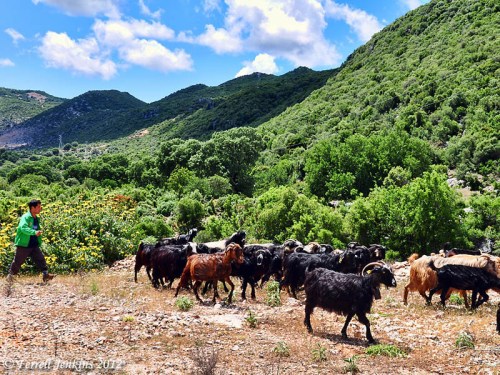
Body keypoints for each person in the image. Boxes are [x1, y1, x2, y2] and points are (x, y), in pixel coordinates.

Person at [6, 199, 55, 283]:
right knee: (17, 262)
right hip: (24, 244)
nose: (41, 208)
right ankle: (10, 278)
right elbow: (23, 228)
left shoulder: (36, 218)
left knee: (40, 259)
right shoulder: (26, 217)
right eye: (39, 206)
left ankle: (46, 275)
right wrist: (34, 232)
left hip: (33, 244)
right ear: (32, 207)